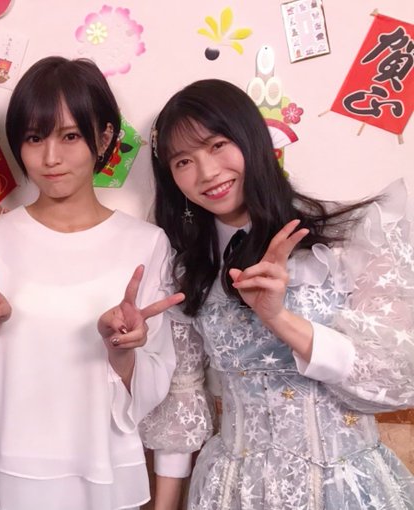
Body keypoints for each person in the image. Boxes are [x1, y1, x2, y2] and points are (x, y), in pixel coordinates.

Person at [146, 78, 414, 509]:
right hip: (232, 492)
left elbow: (395, 380)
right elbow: (184, 395)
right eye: (183, 161)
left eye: (217, 145)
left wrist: (279, 318)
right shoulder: (185, 271)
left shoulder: (350, 241)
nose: (207, 173)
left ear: (252, 138)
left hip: (343, 490)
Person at [0, 56, 183, 510]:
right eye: (34, 138)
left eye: (70, 136)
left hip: (97, 469)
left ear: (104, 138)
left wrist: (121, 350)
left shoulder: (146, 244)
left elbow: (154, 383)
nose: (50, 158)